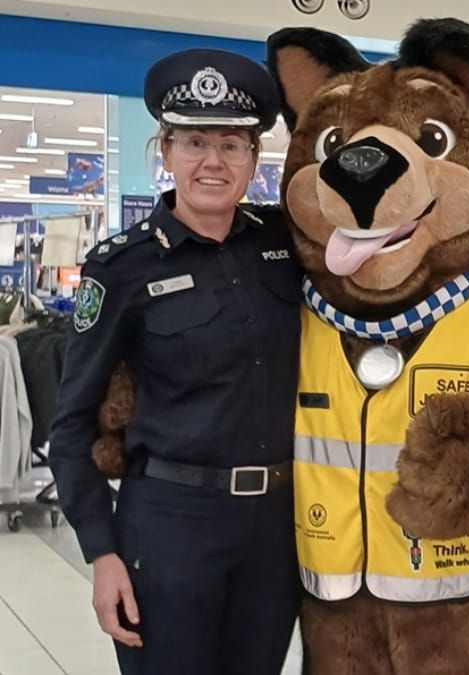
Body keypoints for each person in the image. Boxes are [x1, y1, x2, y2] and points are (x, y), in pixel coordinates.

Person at [49, 49, 303, 675]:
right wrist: (101, 552)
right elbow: (72, 423)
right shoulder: (122, 266)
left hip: (276, 528)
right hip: (169, 525)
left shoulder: (284, 246)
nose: (213, 162)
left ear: (254, 159)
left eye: (231, 145)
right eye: (194, 142)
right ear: (166, 151)